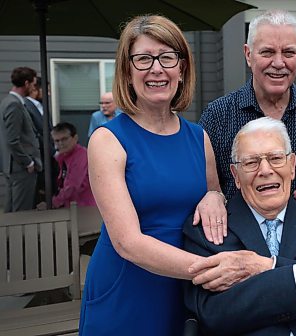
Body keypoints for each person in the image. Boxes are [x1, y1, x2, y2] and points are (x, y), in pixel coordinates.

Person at [79, 15, 267, 335]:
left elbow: (212, 193)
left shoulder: (199, 138)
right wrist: (214, 270)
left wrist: (213, 196)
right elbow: (128, 242)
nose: (157, 69)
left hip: (185, 293)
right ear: (127, 70)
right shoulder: (107, 140)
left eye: (167, 57)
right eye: (143, 59)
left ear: (181, 69)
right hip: (128, 288)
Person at [184, 117, 296, 335]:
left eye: (275, 158)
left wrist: (263, 276)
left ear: (292, 166)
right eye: (251, 162)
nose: (265, 170)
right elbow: (213, 314)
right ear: (236, 175)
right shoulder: (208, 227)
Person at [199, 9, 296, 200]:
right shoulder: (217, 116)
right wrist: (213, 197)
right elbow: (202, 188)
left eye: (288, 52)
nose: (278, 63)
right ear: (248, 54)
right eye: (267, 52)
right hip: (237, 229)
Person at [0, 67, 42, 212]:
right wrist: (28, 161)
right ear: (26, 83)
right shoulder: (14, 104)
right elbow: (12, 139)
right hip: (20, 167)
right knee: (21, 212)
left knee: (11, 211)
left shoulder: (7, 101)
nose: (33, 87)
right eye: (33, 84)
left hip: (13, 166)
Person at [36, 122, 95, 209]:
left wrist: (52, 203)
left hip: (85, 209)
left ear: (75, 138)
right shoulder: (60, 157)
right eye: (57, 140)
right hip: (71, 208)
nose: (61, 143)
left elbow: (72, 186)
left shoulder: (81, 156)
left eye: (64, 139)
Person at [24, 76, 56, 203]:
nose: (48, 93)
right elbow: (37, 133)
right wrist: (53, 151)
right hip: (40, 156)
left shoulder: (42, 106)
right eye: (46, 90)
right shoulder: (26, 106)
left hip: (49, 156)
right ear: (35, 89)